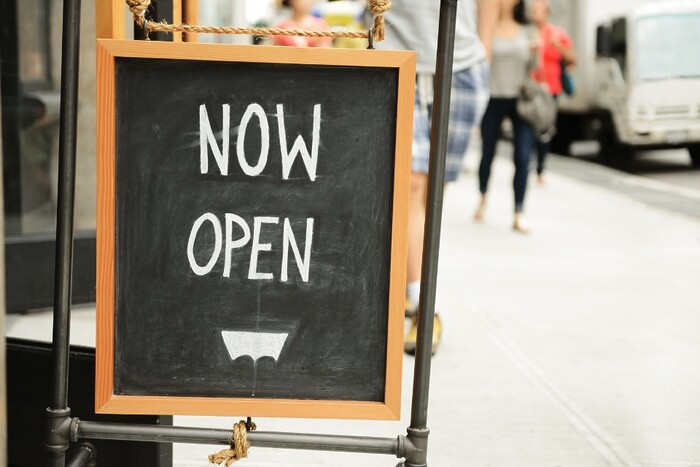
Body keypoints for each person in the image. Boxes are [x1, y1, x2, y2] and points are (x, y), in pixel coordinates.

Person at [380, 0, 499, 355]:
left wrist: (484, 54)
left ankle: (410, 278)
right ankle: (424, 307)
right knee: (412, 185)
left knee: (432, 195)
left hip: (461, 65)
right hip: (401, 60)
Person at [473, 0, 535, 233]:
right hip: (493, 98)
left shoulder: (526, 29)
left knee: (522, 157)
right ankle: (482, 197)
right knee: (487, 152)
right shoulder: (486, 27)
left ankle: (519, 212)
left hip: (520, 101)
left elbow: (533, 68)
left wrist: (535, 52)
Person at [529, 0, 575, 185]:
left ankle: (540, 169)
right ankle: (526, 163)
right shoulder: (526, 31)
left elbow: (573, 59)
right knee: (528, 129)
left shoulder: (557, 34)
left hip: (550, 89)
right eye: (533, 11)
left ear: (547, 13)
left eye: (540, 11)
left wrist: (558, 46)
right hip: (529, 89)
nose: (536, 15)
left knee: (545, 130)